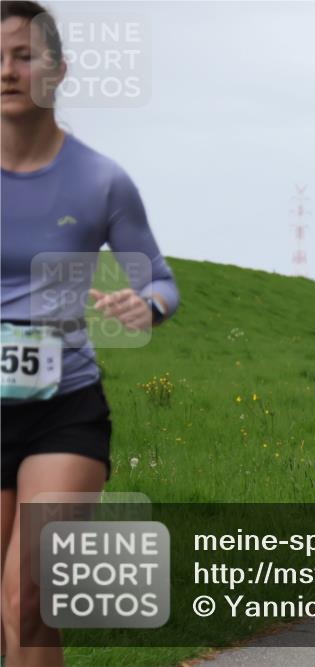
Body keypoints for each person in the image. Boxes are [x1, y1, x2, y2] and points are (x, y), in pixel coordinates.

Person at [1, 3, 180, 663]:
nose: (7, 70)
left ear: (59, 69)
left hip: (64, 407)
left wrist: (148, 308)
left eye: (23, 55)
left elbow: (161, 280)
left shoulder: (100, 179)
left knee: (28, 599)